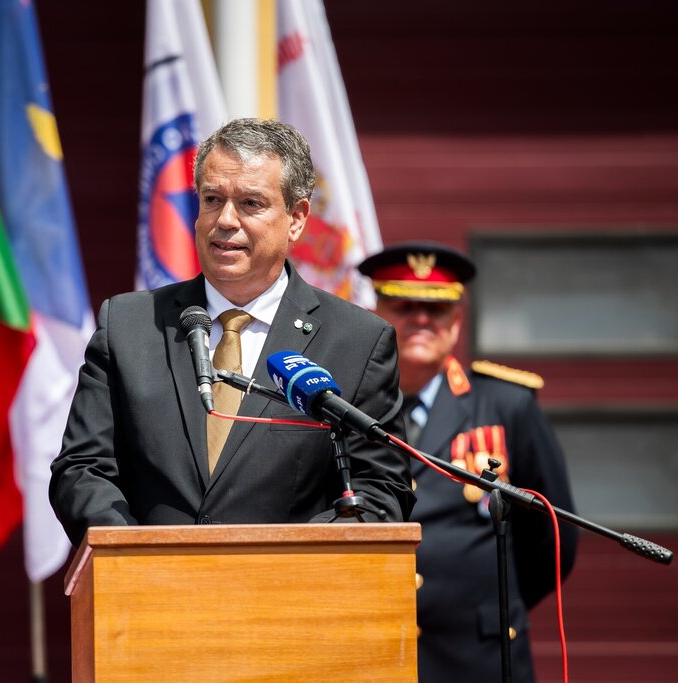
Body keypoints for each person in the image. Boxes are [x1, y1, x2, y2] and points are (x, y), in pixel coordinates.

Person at [50, 118, 414, 547]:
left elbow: (381, 489)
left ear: (296, 218)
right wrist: (135, 557)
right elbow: (82, 468)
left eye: (250, 204)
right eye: (212, 199)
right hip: (149, 597)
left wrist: (297, 564)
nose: (225, 220)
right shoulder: (128, 325)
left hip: (285, 600)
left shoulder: (357, 341)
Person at [359, 241, 579, 683]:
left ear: (456, 322)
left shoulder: (506, 404)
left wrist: (495, 605)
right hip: (373, 651)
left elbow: (554, 538)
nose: (421, 319)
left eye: (436, 309)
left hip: (479, 656)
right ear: (376, 313)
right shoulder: (346, 407)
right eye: (403, 304)